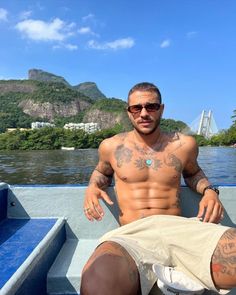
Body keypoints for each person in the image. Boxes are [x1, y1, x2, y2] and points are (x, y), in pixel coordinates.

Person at [80, 82, 236, 295]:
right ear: (129, 112)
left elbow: (193, 174)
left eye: (151, 107)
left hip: (178, 228)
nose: (143, 113)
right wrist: (92, 187)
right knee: (97, 281)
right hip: (132, 234)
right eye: (136, 108)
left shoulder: (184, 145)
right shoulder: (111, 146)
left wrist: (209, 191)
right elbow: (102, 173)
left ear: (161, 109)